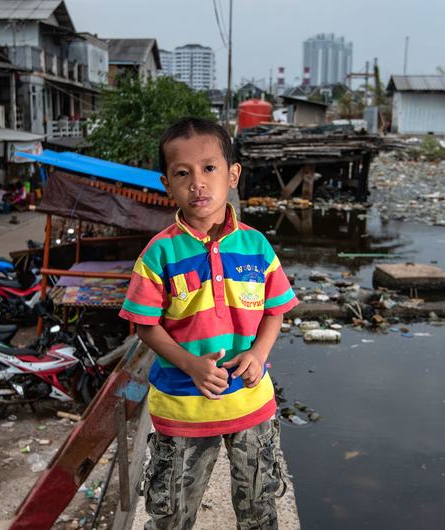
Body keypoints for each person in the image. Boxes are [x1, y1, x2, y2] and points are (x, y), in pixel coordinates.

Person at [119, 117, 298, 530]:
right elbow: (146, 325)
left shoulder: (255, 245)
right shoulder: (159, 254)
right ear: (167, 183)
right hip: (183, 406)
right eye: (183, 173)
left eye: (209, 168)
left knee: (258, 507)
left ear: (233, 174)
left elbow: (276, 309)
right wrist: (190, 363)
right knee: (172, 512)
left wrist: (258, 352)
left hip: (251, 404)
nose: (197, 183)